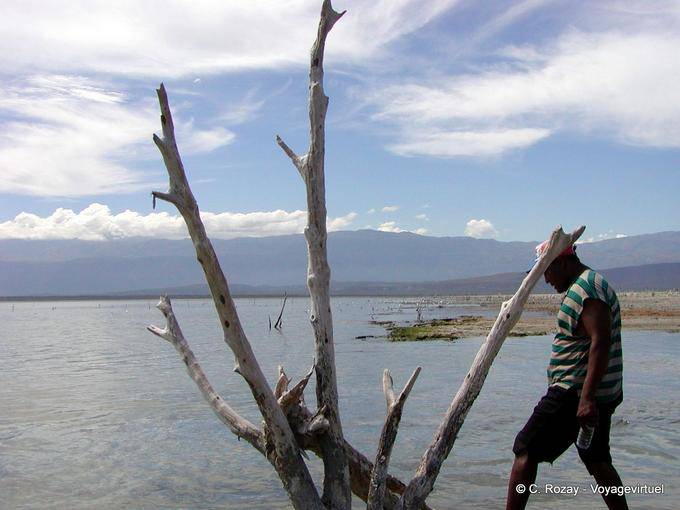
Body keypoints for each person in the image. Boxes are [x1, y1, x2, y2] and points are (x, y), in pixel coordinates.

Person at [505, 241, 628, 510]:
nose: (546, 280)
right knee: (595, 457)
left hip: (573, 392)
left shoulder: (587, 289)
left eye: (546, 272)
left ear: (561, 263)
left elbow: (600, 341)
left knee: (525, 448)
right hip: (589, 392)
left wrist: (586, 400)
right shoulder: (585, 284)